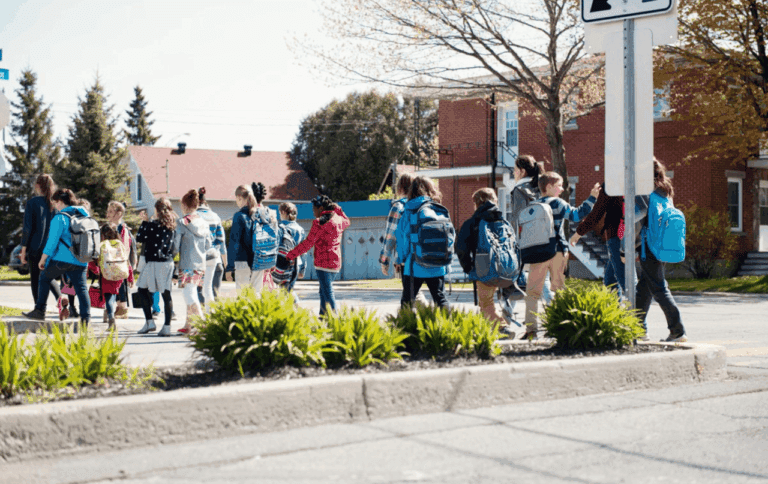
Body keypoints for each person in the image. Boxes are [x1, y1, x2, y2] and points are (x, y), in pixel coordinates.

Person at [523, 172, 599, 339]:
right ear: (549, 187)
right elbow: (577, 215)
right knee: (559, 290)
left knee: (532, 293)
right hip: (556, 250)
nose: (562, 188)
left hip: (537, 252)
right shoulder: (557, 203)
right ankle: (561, 326)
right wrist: (592, 198)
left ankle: (531, 331)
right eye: (559, 185)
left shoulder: (532, 205)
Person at [22, 189, 91, 329]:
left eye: (54, 203)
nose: (54, 206)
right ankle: (85, 321)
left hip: (62, 260)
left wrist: (43, 259)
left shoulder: (60, 218)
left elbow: (52, 242)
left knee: (44, 277)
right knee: (82, 289)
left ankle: (40, 310)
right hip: (81, 260)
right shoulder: (85, 216)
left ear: (60, 202)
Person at [636, 159, 687, 342]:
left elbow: (638, 219)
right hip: (663, 243)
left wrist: (627, 246)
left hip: (649, 245)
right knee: (644, 287)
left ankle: (678, 330)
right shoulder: (665, 190)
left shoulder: (644, 192)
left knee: (658, 287)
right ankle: (637, 328)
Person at [456, 188, 514, 334]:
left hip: (484, 268)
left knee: (486, 302)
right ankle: (488, 331)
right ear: (494, 201)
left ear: (476, 203)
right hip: (507, 269)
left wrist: (468, 268)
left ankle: (503, 328)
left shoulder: (472, 222)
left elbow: (461, 248)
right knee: (486, 302)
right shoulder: (503, 220)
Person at [286, 195, 350, 316]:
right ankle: (322, 317)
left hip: (323, 264)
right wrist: (337, 208)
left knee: (328, 292)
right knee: (323, 292)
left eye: (314, 209)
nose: (313, 212)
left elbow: (307, 243)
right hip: (335, 263)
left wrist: (291, 255)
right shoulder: (338, 219)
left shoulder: (319, 222)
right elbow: (347, 221)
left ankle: (334, 320)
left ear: (320, 208)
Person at [395, 176, 451, 309]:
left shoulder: (409, 210)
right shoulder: (439, 209)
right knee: (440, 298)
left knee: (407, 301)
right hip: (437, 264)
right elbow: (450, 236)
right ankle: (449, 327)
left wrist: (401, 259)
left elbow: (403, 238)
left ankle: (405, 328)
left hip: (415, 264)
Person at [569, 182, 633, 297]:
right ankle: (615, 311)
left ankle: (637, 312)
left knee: (627, 282)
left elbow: (596, 214)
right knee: (610, 280)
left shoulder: (611, 184)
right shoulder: (636, 181)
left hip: (617, 237)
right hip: (634, 234)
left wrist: (578, 233)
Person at [136, 198, 178, 336]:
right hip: (167, 262)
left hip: (153, 262)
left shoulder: (153, 224)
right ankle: (166, 326)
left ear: (157, 210)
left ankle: (150, 322)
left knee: (142, 289)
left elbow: (140, 237)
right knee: (166, 295)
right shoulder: (173, 225)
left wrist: (145, 221)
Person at [20, 174, 62, 308]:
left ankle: (39, 310)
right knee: (47, 276)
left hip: (36, 247)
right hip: (52, 248)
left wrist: (23, 250)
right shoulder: (55, 205)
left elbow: (27, 228)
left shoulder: (33, 203)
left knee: (35, 279)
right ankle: (61, 298)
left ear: (38, 186)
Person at [174, 189, 212, 333]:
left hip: (187, 262)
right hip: (200, 263)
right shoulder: (203, 222)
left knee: (188, 294)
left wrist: (172, 255)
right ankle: (188, 325)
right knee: (193, 291)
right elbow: (208, 244)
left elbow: (176, 243)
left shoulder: (182, 222)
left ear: (184, 205)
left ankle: (202, 322)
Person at [88, 224, 133, 332]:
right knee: (113, 296)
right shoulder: (120, 244)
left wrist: (96, 271)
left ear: (102, 235)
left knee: (109, 298)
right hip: (119, 274)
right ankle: (108, 314)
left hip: (106, 275)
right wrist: (130, 277)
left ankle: (111, 319)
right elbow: (127, 261)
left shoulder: (101, 245)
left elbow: (92, 261)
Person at [225, 183, 264, 292]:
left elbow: (234, 243)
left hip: (242, 261)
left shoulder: (239, 216)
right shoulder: (260, 214)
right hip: (259, 261)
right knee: (256, 295)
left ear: (239, 198)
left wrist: (229, 267)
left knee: (242, 296)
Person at [379, 172, 415, 278]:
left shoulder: (399, 207)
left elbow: (390, 236)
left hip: (406, 258)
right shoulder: (423, 205)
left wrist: (384, 260)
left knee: (409, 292)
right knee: (415, 292)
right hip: (425, 257)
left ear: (399, 188)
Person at [106, 201, 137, 319]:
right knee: (116, 285)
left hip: (120, 262)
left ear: (119, 214)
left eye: (110, 212)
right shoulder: (112, 227)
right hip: (112, 261)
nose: (107, 214)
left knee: (121, 284)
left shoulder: (122, 229)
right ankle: (119, 308)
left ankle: (122, 308)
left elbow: (125, 249)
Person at [196, 187, 227, 307]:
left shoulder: (193, 217)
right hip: (216, 260)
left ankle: (202, 318)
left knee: (201, 294)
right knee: (214, 294)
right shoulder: (215, 216)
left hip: (201, 260)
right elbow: (221, 241)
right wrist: (225, 263)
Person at [278, 202, 306, 302]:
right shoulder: (301, 230)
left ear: (282, 212)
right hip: (296, 264)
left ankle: (296, 312)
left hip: (282, 264)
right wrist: (302, 269)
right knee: (288, 290)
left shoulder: (280, 228)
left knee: (283, 291)